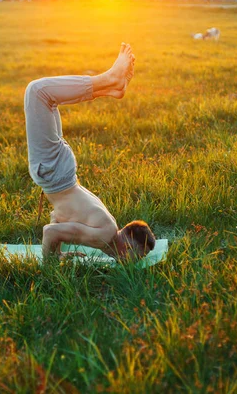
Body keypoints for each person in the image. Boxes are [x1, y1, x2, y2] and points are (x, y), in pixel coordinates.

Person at [24, 43, 156, 261]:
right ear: (128, 247)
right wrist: (48, 270)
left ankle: (110, 88)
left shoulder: (107, 226)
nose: (135, 261)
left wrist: (58, 254)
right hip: (54, 173)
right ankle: (109, 81)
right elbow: (50, 231)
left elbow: (57, 218)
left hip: (61, 173)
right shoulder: (104, 236)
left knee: (48, 99)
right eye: (137, 256)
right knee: (38, 92)